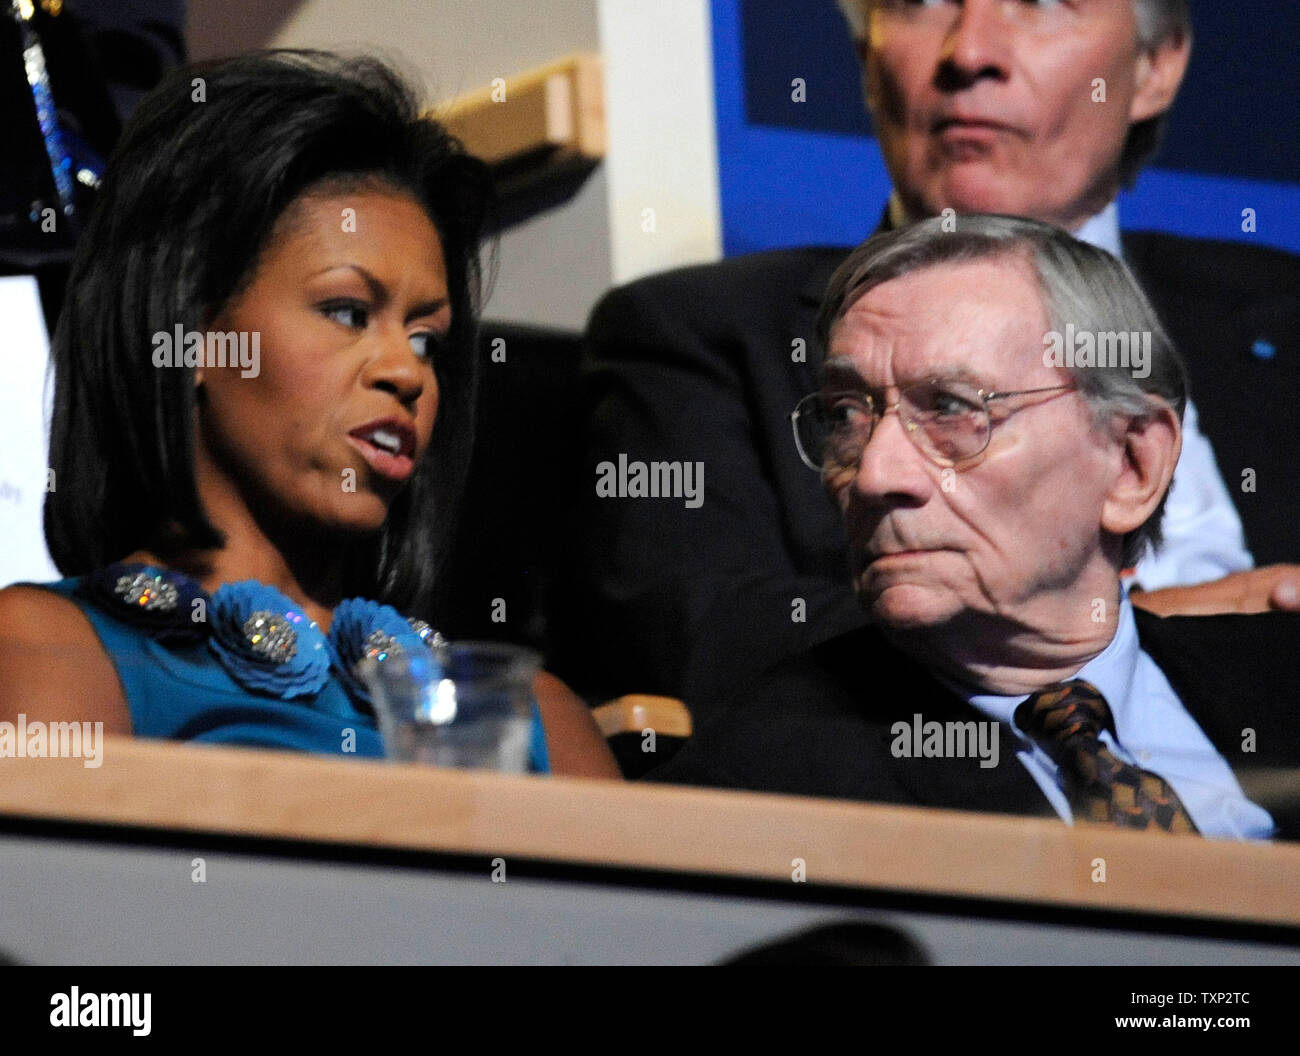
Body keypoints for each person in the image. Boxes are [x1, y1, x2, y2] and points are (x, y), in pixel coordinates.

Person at [551, 0, 1300, 715]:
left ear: (1156, 66)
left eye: (1037, 3)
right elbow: (700, 640)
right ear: (866, 62)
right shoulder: (698, 335)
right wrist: (1144, 631)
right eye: (921, 2)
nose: (969, 53)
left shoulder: (1282, 314)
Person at [0, 51, 618, 780]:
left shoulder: (530, 717)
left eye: (427, 339)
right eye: (348, 312)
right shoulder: (54, 650)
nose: (406, 371)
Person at [649, 215, 1299, 841]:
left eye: (954, 409)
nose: (875, 475)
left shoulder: (1275, 678)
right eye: (847, 413)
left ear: (1132, 464)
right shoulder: (764, 791)